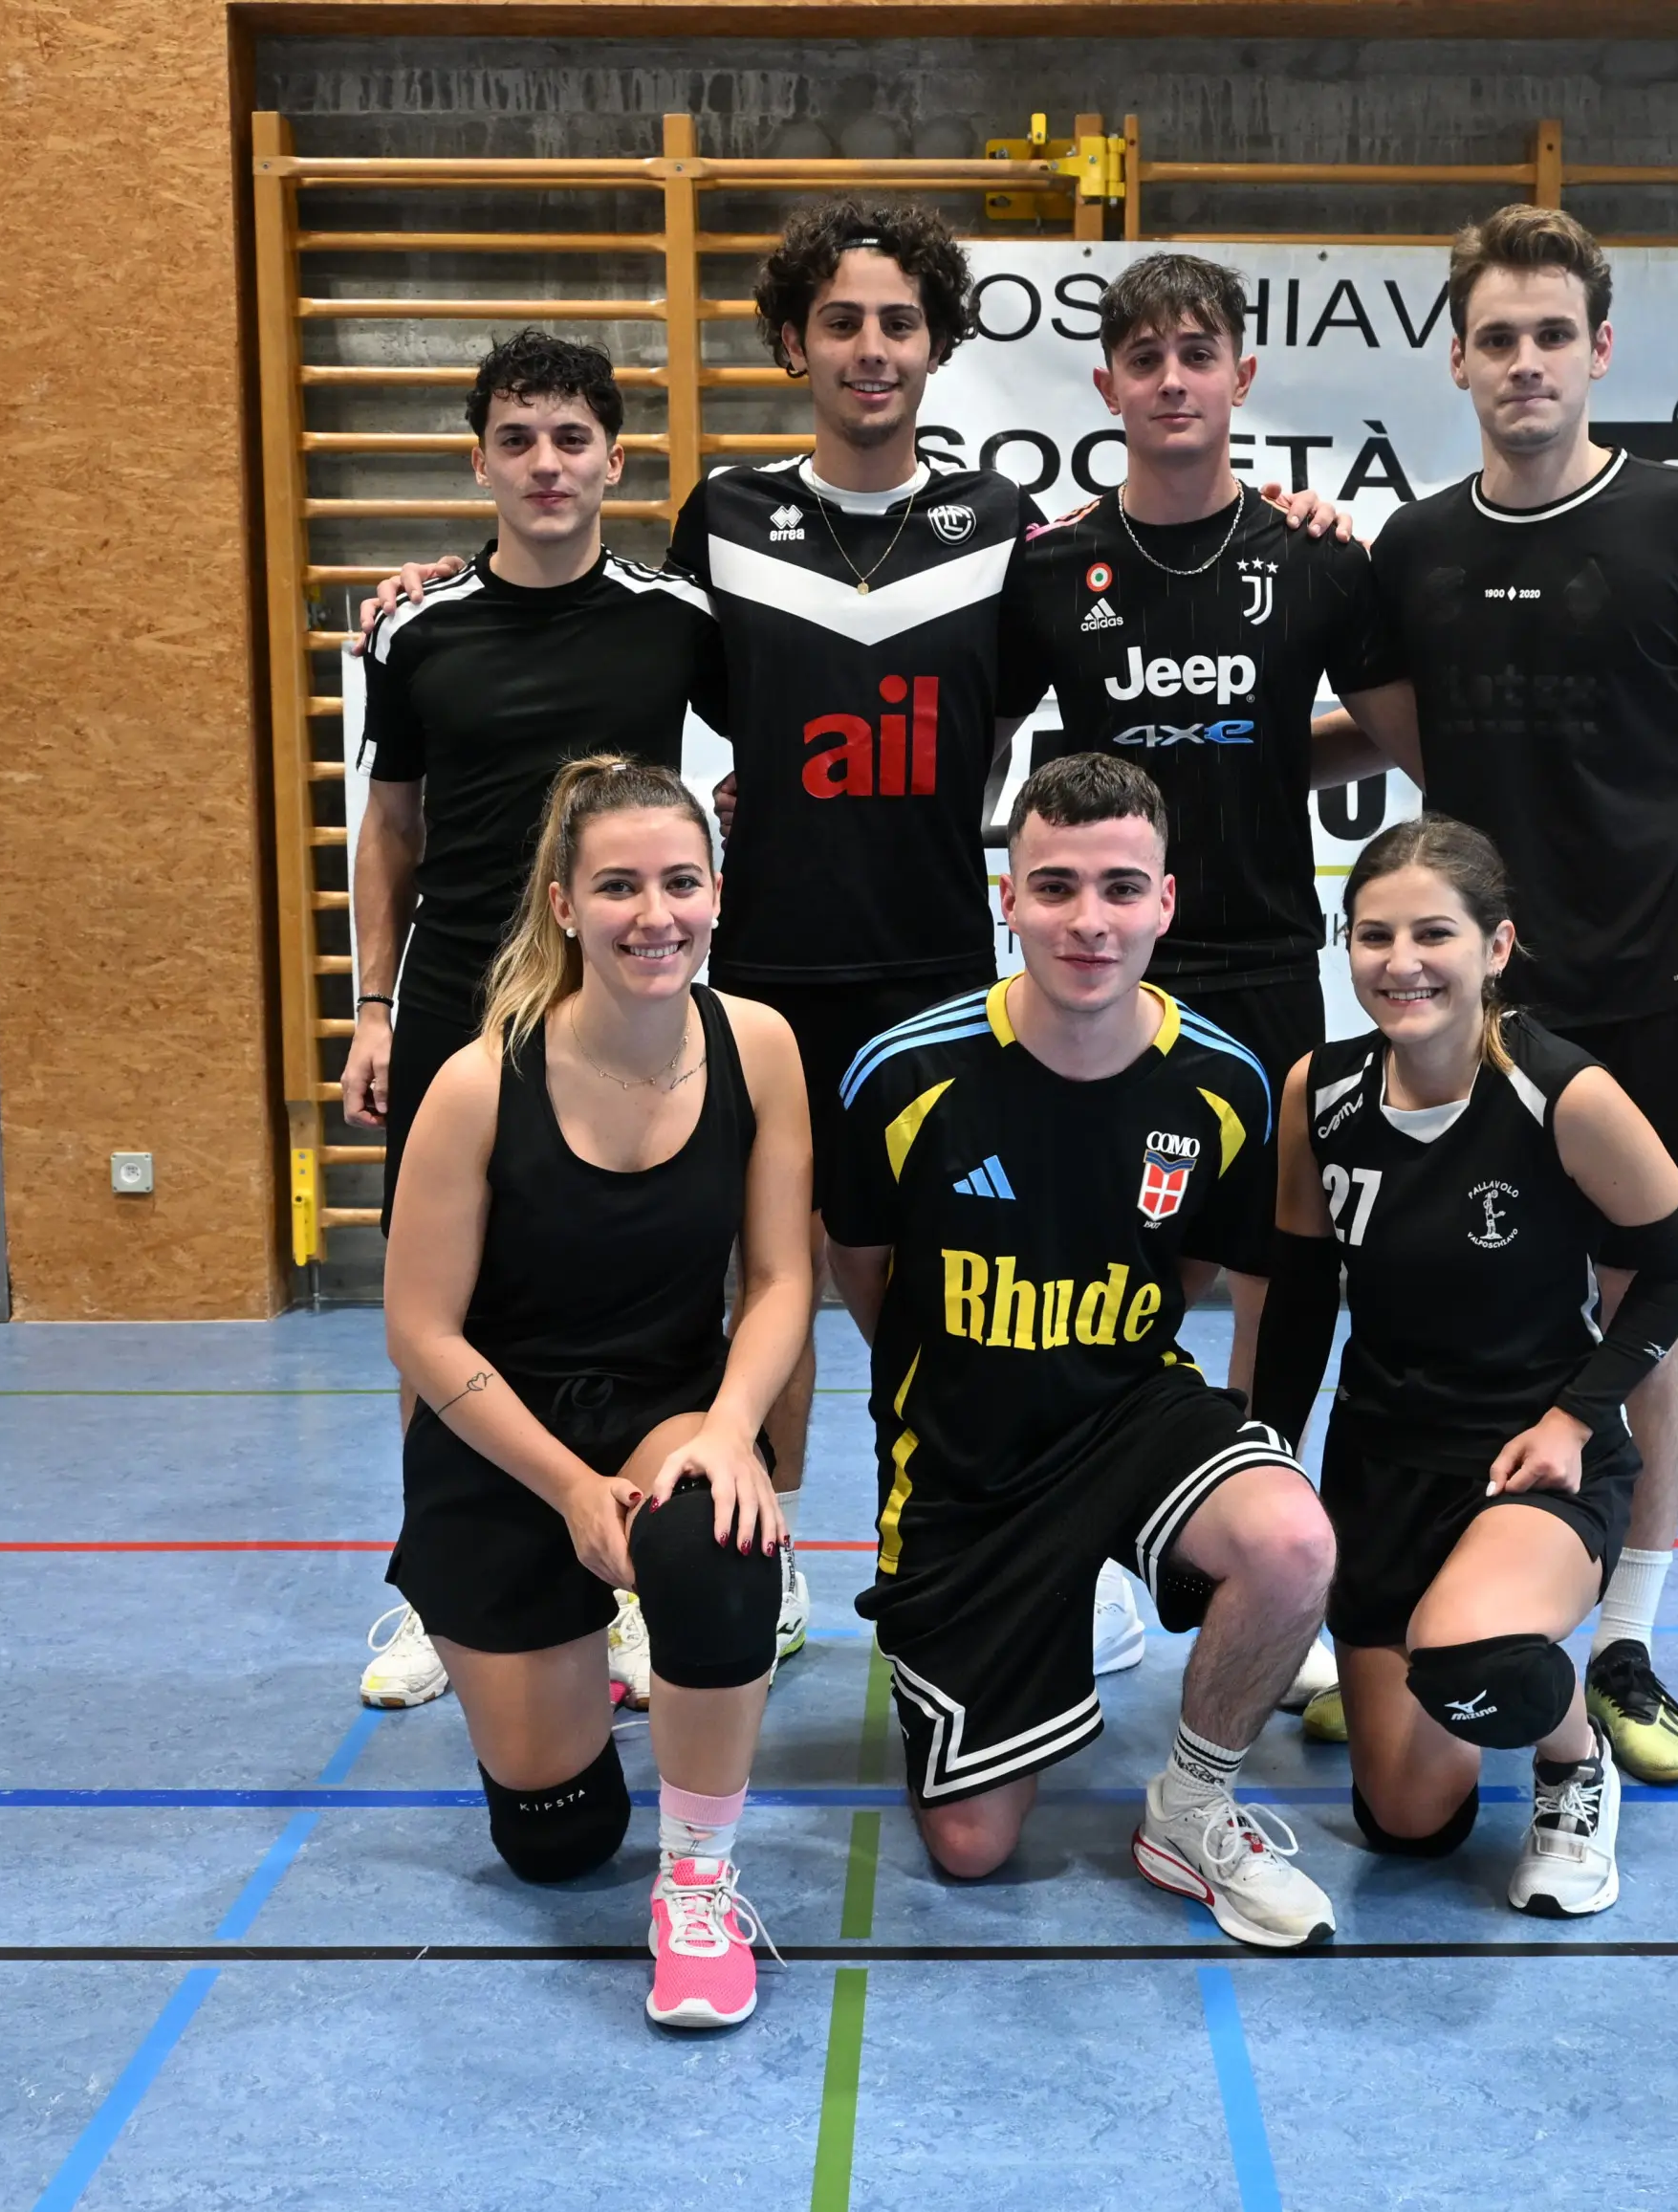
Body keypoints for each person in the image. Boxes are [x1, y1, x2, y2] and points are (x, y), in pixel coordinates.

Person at [360, 205, 1354, 1694]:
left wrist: (1295, 521)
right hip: (759, 973)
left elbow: (1094, 664)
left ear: (939, 345)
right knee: (740, 1275)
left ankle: (1013, 1534)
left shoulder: (1004, 537)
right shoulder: (721, 522)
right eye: (842, 323)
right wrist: (439, 589)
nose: (872, 350)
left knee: (973, 1279)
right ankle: (734, 1549)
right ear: (793, 343)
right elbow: (578, 620)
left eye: (900, 324)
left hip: (938, 966)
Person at [1329, 204, 1678, 1782]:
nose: (1527, 362)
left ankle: (1620, 1635)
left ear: (1599, 350)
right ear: (1460, 360)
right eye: (1498, 338)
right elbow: (1416, 740)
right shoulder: (1414, 548)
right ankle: (1400, 1607)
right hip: (1485, 1008)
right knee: (1436, 1297)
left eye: (1555, 335)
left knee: (1644, 1312)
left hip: (1667, 977)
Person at [824, 754, 1340, 1949]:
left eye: (1121, 888)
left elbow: (1194, 1270)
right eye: (1055, 887)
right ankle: (1038, 1631)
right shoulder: (904, 1073)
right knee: (972, 1850)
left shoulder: (1222, 1082)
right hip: (964, 1461)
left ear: (1167, 900)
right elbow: (861, 1269)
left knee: (1293, 1541)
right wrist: (957, 1369)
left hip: (1128, 1412)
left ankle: (1193, 1803)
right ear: (1008, 897)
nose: (1088, 921)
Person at [999, 249, 1417, 1710]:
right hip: (1111, 973)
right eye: (1143, 355)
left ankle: (1272, 1526)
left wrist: (1272, 754)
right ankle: (1117, 1542)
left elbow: (1402, 729)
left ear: (1242, 375)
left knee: (1276, 1259)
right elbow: (953, 736)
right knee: (1123, 1254)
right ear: (1106, 384)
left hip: (1258, 958)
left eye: (1198, 352)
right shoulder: (1050, 569)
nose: (1171, 378)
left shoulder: (1314, 558)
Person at [382, 754, 815, 2030]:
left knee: (719, 1539)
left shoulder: (760, 1046)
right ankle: (593, 1655)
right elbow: (417, 1326)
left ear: (718, 893)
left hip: (667, 1404)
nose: (655, 913)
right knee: (558, 1842)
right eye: (618, 884)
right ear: (563, 904)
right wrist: (571, 1492)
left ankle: (697, 1879)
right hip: (503, 1441)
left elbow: (786, 1277)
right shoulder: (478, 1083)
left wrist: (733, 1431)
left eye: (681, 881)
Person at [346, 329, 718, 1713]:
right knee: (437, 1301)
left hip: (620, 994)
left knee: (635, 1298)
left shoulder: (681, 621)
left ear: (615, 460)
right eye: (518, 439)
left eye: (572, 439)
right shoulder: (414, 623)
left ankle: (630, 1570)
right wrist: (375, 1007)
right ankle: (431, 1585)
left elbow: (770, 754)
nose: (546, 464)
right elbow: (389, 831)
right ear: (480, 462)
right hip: (459, 1000)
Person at [1250, 817, 1678, 1915]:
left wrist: (1574, 1418)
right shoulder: (1320, 1092)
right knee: (1407, 1824)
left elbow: (1677, 1265)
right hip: (1382, 1465)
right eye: (1373, 935)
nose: (1401, 961)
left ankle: (1570, 1762)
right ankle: (1472, 1680)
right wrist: (1265, 1444)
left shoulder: (1562, 1092)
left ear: (1496, 949)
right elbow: (1305, 1291)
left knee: (1473, 1661)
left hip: (1526, 1458)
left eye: (1433, 934)